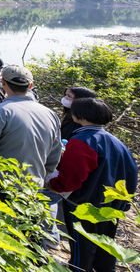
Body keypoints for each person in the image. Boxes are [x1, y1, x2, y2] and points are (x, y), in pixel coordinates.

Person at [47, 98, 138, 272]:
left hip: (83, 204)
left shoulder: (81, 141)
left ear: (79, 115)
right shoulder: (116, 142)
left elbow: (71, 179)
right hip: (111, 206)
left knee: (82, 248)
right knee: (106, 245)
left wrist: (52, 183)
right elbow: (132, 172)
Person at [0, 64, 62, 186]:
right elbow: (54, 155)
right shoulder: (51, 114)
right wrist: (43, 178)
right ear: (30, 86)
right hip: (33, 185)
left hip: (1, 183)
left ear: (2, 82)